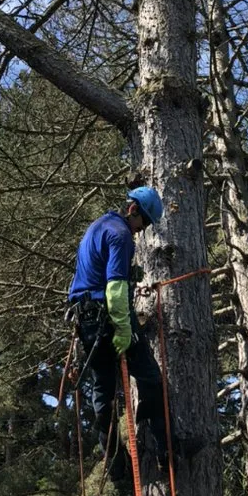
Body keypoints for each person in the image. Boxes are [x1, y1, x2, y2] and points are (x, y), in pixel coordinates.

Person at [68, 186, 167, 478]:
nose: (141, 231)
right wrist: (123, 328)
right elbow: (114, 288)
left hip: (86, 319)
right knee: (151, 378)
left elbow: (94, 273)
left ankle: (115, 462)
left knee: (104, 390)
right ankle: (167, 450)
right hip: (108, 317)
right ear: (133, 210)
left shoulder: (97, 227)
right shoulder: (121, 234)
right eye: (143, 223)